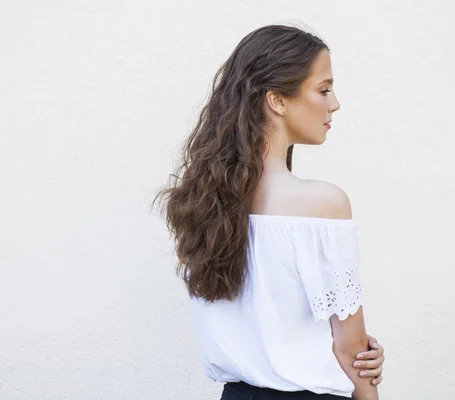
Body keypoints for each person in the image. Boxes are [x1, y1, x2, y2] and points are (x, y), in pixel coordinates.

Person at [154, 24, 384, 400]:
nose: (335, 103)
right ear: (277, 100)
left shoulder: (204, 204)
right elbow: (350, 351)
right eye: (323, 89)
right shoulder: (322, 204)